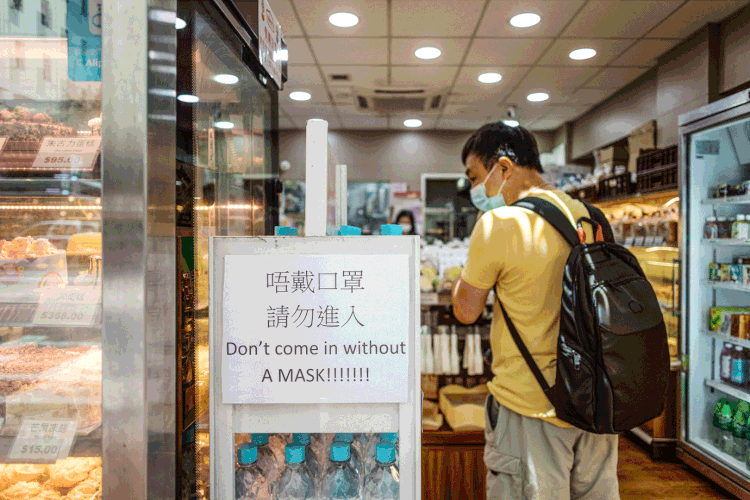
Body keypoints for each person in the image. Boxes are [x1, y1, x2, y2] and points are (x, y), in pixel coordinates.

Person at [451, 122, 619, 500]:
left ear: (505, 168)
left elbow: (465, 311)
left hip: (531, 406)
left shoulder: (500, 223)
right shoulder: (590, 216)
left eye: (477, 177)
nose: (476, 190)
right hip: (597, 404)